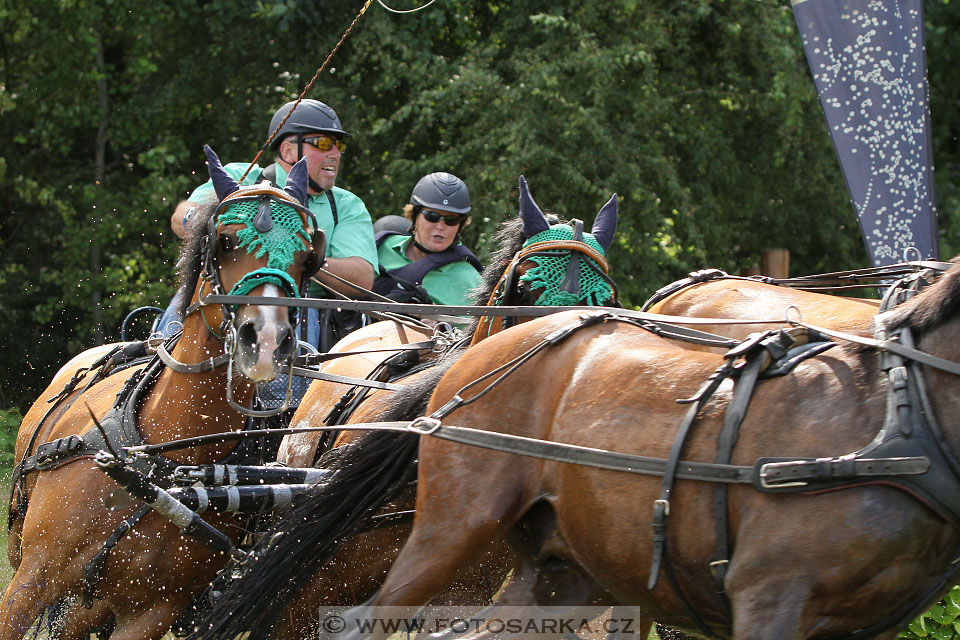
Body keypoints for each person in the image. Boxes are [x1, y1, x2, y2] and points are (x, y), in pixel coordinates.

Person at [158, 98, 378, 348]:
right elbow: (180, 217)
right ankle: (159, 355)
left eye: (339, 144)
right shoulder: (240, 178)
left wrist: (302, 256)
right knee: (192, 297)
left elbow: (362, 278)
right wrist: (214, 229)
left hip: (299, 310)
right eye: (323, 143)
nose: (336, 153)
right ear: (287, 150)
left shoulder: (347, 205)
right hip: (225, 298)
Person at [372, 172, 483, 306]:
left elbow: (485, 327)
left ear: (460, 225)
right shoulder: (380, 246)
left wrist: (442, 326)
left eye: (451, 220)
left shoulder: (470, 281)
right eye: (432, 216)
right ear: (414, 216)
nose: (440, 226)